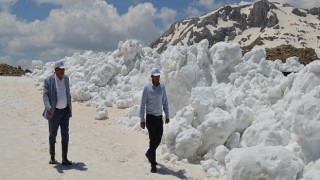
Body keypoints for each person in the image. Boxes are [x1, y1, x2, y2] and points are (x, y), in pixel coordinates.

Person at [140, 67, 170, 173]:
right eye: (155, 76)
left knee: (158, 139)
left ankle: (149, 153)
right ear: (152, 77)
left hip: (159, 118)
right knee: (153, 141)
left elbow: (165, 102)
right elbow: (142, 104)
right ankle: (153, 164)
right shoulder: (147, 88)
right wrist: (142, 120)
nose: (157, 78)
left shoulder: (162, 88)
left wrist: (167, 115)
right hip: (150, 118)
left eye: (158, 76)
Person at [43, 60, 72, 165]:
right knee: (52, 135)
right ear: (55, 70)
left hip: (65, 112)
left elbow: (67, 93)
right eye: (61, 69)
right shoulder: (48, 80)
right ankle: (52, 157)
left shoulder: (66, 79)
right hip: (54, 113)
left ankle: (64, 158)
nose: (63, 71)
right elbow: (45, 95)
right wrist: (48, 107)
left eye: (64, 69)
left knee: (65, 135)